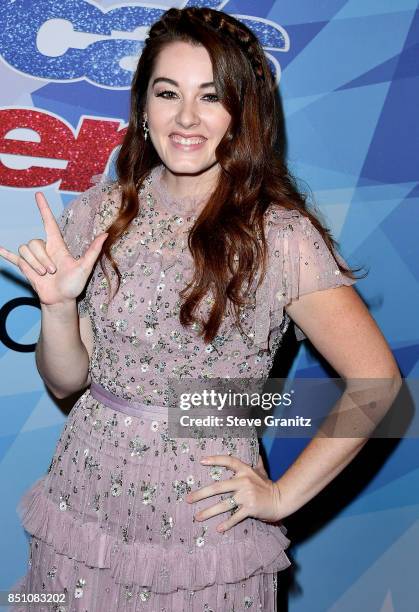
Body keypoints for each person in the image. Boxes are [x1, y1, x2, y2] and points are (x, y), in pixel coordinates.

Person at [1, 7, 401, 612]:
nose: (187, 118)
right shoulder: (100, 211)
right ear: (142, 108)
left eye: (211, 96)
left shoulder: (278, 235)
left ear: (240, 113)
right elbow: (68, 383)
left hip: (202, 517)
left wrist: (280, 497)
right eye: (168, 93)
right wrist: (57, 308)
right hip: (83, 494)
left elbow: (378, 386)